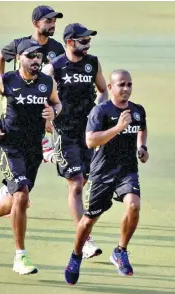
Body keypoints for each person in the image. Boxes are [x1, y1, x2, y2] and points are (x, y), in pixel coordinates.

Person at [0, 39, 62, 275]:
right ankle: (20, 257)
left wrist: (54, 112)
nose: (36, 61)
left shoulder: (46, 82)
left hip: (34, 147)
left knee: (17, 200)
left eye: (39, 57)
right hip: (9, 144)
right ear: (19, 58)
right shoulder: (6, 81)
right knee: (21, 194)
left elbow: (57, 104)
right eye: (30, 56)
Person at [64, 69, 148, 285]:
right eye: (121, 84)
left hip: (127, 171)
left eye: (129, 84)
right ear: (110, 87)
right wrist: (118, 128)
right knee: (88, 220)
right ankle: (76, 255)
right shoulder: (100, 111)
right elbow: (91, 141)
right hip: (102, 174)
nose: (126, 89)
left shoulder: (137, 110)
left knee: (134, 206)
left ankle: (120, 251)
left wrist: (142, 147)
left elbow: (141, 128)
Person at [41, 23, 108, 259]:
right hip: (64, 132)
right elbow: (41, 95)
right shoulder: (54, 68)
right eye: (83, 41)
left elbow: (103, 90)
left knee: (86, 179)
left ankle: (49, 156)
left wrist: (99, 112)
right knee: (77, 183)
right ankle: (85, 240)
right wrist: (46, 116)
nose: (88, 45)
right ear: (70, 42)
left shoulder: (93, 63)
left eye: (89, 41)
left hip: (88, 133)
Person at [0, 4, 65, 207]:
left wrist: (53, 107)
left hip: (41, 99)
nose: (53, 25)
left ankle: (11, 188)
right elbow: (0, 56)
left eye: (54, 21)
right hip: (18, 102)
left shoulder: (57, 48)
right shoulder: (20, 44)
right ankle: (13, 187)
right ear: (36, 23)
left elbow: (55, 79)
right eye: (48, 21)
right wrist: (1, 82)